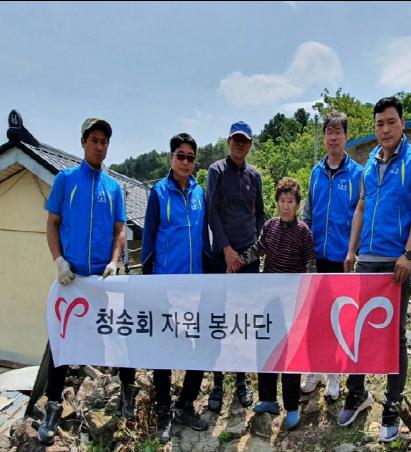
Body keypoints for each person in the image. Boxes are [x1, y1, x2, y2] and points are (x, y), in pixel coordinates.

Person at [337, 96, 411, 443]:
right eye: (380, 124)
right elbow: (361, 208)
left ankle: (392, 406)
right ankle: (357, 393)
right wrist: (352, 249)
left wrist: (409, 253)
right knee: (358, 330)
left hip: (397, 263)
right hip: (367, 260)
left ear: (402, 123)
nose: (386, 129)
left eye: (391, 122)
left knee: (394, 335)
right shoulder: (369, 164)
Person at [39, 118, 135, 444]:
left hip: (102, 280)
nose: (99, 146)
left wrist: (115, 260)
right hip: (72, 280)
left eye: (104, 141)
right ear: (83, 142)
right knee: (61, 341)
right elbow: (52, 223)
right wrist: (58, 260)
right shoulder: (66, 180)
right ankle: (53, 406)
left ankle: (128, 390)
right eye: (94, 140)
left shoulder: (113, 188)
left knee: (119, 333)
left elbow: (120, 230)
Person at [141, 133, 209, 443]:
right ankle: (164, 411)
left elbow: (204, 238)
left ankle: (185, 405)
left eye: (190, 157)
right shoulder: (158, 193)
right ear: (171, 158)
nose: (185, 162)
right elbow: (148, 240)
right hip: (166, 285)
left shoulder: (199, 192)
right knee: (164, 350)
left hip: (195, 285)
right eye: (180, 156)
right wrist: (148, 281)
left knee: (200, 348)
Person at [239, 177, 315, 430]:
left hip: (292, 303)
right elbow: (258, 249)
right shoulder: (270, 226)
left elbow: (310, 265)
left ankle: (291, 406)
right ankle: (268, 399)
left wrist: (310, 296)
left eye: (290, 201)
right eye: (282, 201)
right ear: (277, 203)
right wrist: (237, 261)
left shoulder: (303, 231)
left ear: (297, 205)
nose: (285, 206)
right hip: (269, 301)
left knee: (290, 354)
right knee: (266, 348)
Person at [300, 111, 363, 402]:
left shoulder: (357, 174)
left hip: (343, 260)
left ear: (346, 137)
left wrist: (353, 251)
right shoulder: (315, 173)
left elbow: (361, 216)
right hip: (316, 258)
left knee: (339, 317)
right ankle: (314, 370)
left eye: (338, 132)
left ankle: (335, 374)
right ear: (324, 137)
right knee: (315, 317)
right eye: (329, 132)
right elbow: (307, 215)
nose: (333, 137)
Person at [205, 121, 265, 412]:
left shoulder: (255, 176)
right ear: (228, 141)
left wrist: (251, 251)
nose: (240, 144)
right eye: (236, 139)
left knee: (243, 319)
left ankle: (241, 380)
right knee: (218, 318)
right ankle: (217, 383)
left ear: (250, 144)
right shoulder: (216, 171)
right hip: (221, 257)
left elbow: (260, 216)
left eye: (245, 141)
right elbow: (212, 213)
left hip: (249, 259)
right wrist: (227, 249)